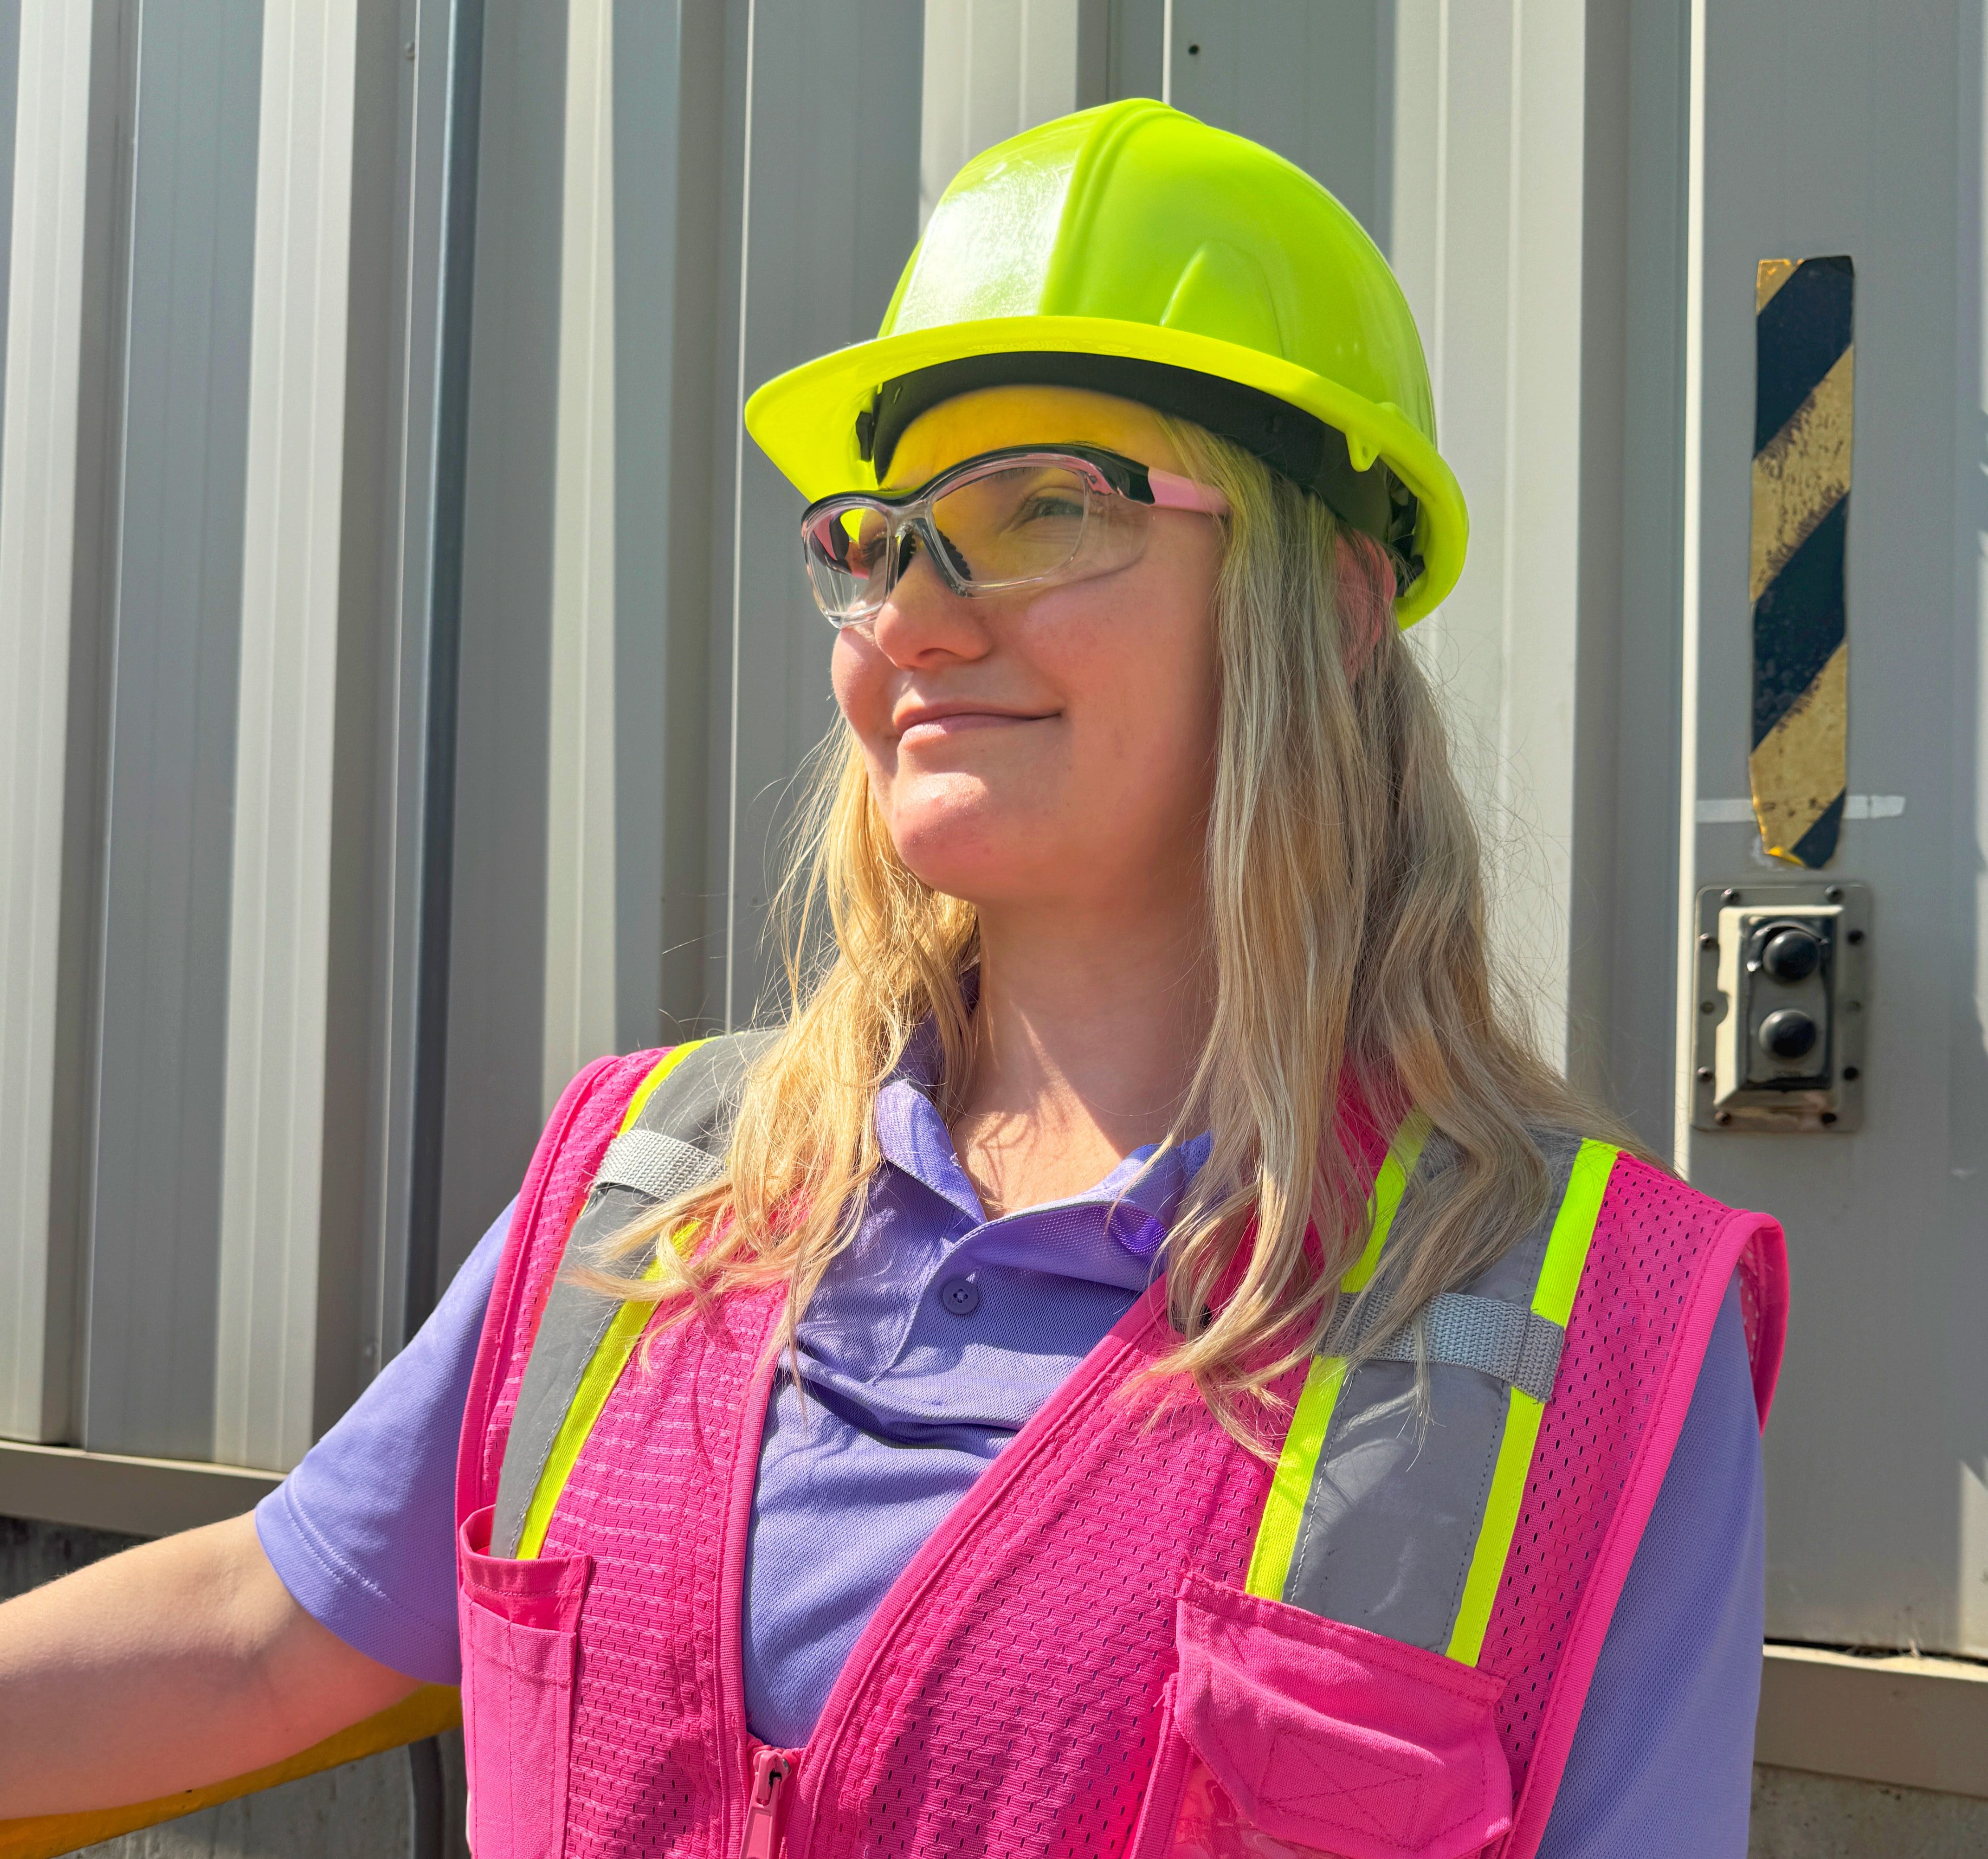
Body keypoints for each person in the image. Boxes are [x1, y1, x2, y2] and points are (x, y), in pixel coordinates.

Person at [0, 99, 1784, 1859]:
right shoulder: (661, 1182)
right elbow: (261, 1632)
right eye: (880, 535)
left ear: (1322, 604)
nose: (914, 617)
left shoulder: (1580, 1329)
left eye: (1039, 514)